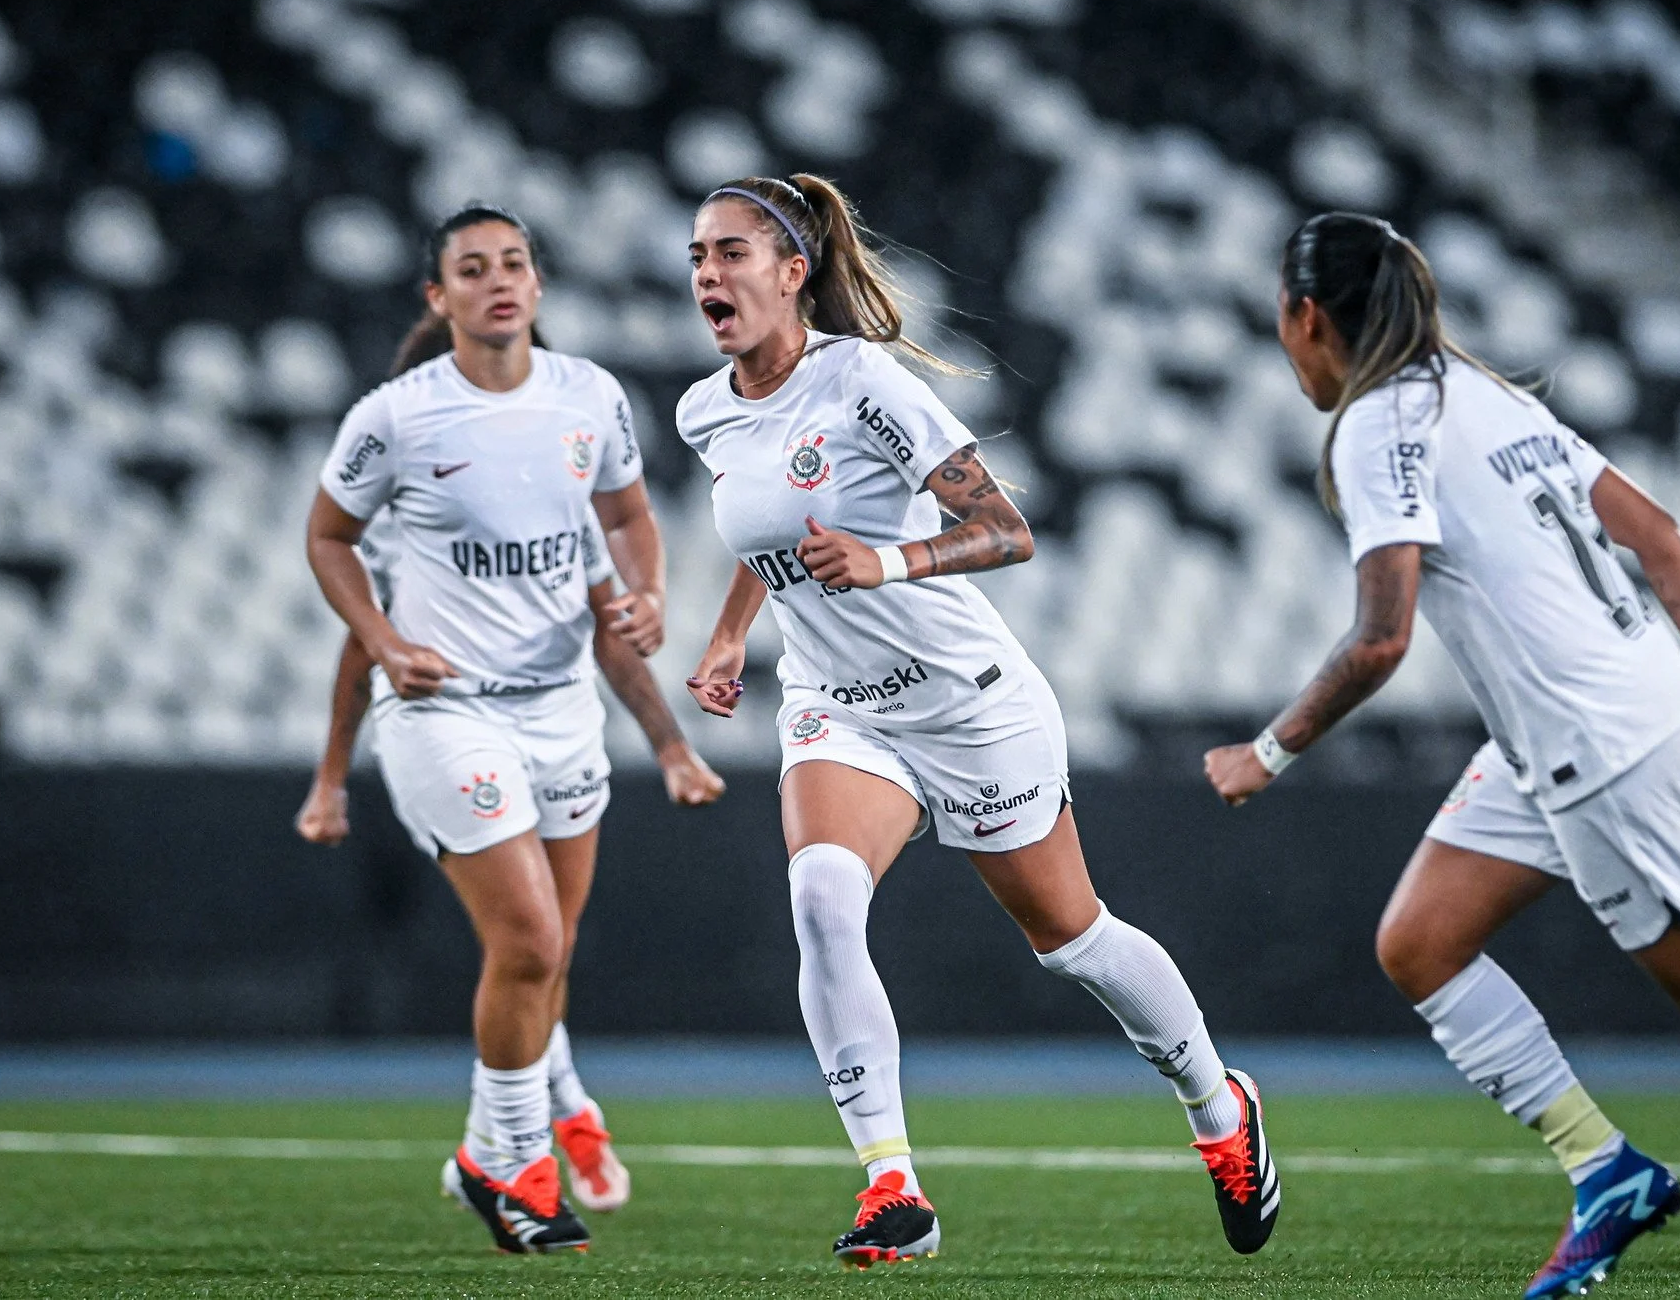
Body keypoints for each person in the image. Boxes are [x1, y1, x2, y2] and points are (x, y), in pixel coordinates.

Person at [1203, 211, 1680, 1300]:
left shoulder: (1382, 426)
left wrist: (1267, 753)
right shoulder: (1483, 394)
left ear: (1303, 316)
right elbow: (1655, 530)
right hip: (1579, 724)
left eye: (1281, 327)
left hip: (1595, 744)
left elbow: (1380, 637)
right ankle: (1603, 1170)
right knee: (1420, 943)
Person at [675, 174, 1280, 1267]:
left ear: (791, 270)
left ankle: (1216, 1105)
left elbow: (1007, 528)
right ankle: (892, 1188)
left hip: (964, 700)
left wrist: (888, 559)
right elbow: (763, 532)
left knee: (1071, 938)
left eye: (730, 253)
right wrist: (728, 635)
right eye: (697, 256)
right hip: (834, 704)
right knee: (819, 894)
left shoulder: (862, 383)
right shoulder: (703, 407)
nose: (708, 275)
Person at [307, 203, 718, 1254]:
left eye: (516, 263)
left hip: (560, 712)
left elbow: (627, 515)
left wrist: (652, 593)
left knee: (549, 952)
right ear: (437, 297)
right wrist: (386, 646)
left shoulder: (588, 396)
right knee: (528, 939)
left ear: (537, 285)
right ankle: (514, 1162)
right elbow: (328, 537)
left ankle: (495, 1154)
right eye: (472, 268)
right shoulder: (396, 417)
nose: (500, 280)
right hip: (445, 710)